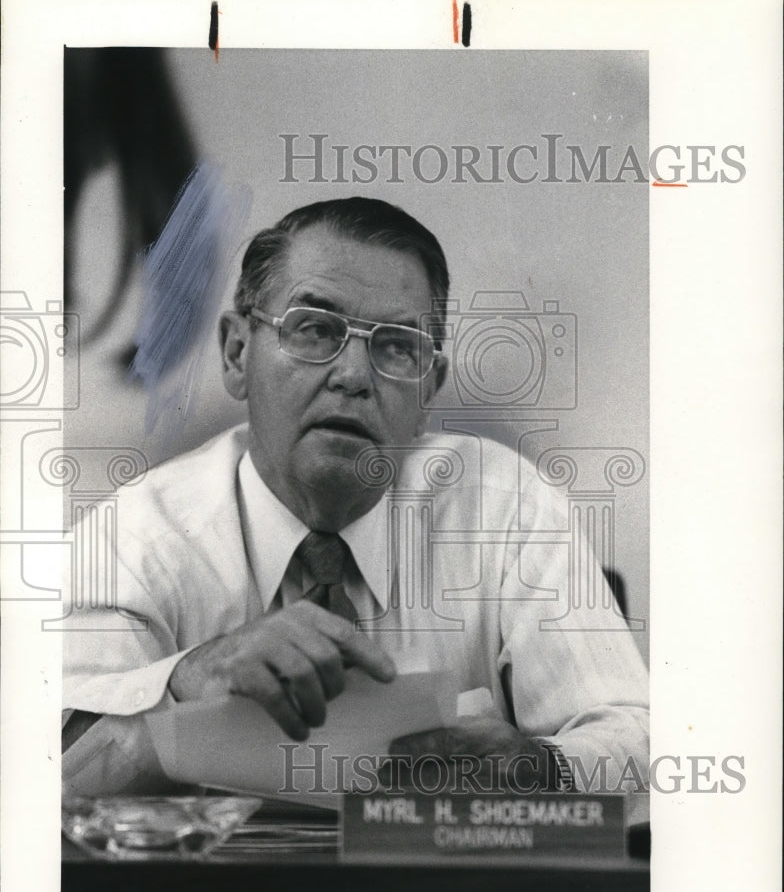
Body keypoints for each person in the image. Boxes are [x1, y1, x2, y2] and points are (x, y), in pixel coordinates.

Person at [62, 197, 649, 806]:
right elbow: (41, 771)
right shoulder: (130, 538)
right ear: (238, 354)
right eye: (314, 329)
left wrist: (540, 768)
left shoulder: (506, 507)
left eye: (396, 346)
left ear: (428, 388)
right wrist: (183, 685)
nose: (353, 375)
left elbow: (638, 739)